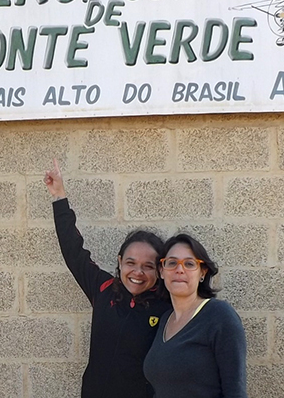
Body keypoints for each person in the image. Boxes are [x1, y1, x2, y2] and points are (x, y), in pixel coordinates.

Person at [44, 159, 171, 398]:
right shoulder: (103, 288)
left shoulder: (168, 307)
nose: (137, 273)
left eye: (148, 266)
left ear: (159, 270)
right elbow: (73, 251)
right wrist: (59, 196)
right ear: (120, 261)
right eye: (131, 263)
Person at [143, 233, 248, 398]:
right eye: (172, 263)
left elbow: (235, 390)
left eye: (189, 264)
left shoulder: (219, 316)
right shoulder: (164, 320)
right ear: (162, 272)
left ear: (202, 273)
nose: (179, 269)